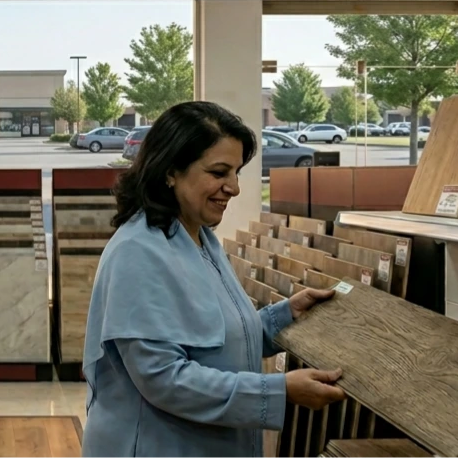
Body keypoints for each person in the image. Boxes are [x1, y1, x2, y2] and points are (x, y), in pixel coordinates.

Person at [81, 101, 346, 458]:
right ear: (171, 171)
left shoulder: (199, 238)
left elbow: (212, 335)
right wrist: (278, 391)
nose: (234, 188)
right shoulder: (138, 252)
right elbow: (163, 379)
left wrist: (285, 316)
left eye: (236, 172)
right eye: (219, 173)